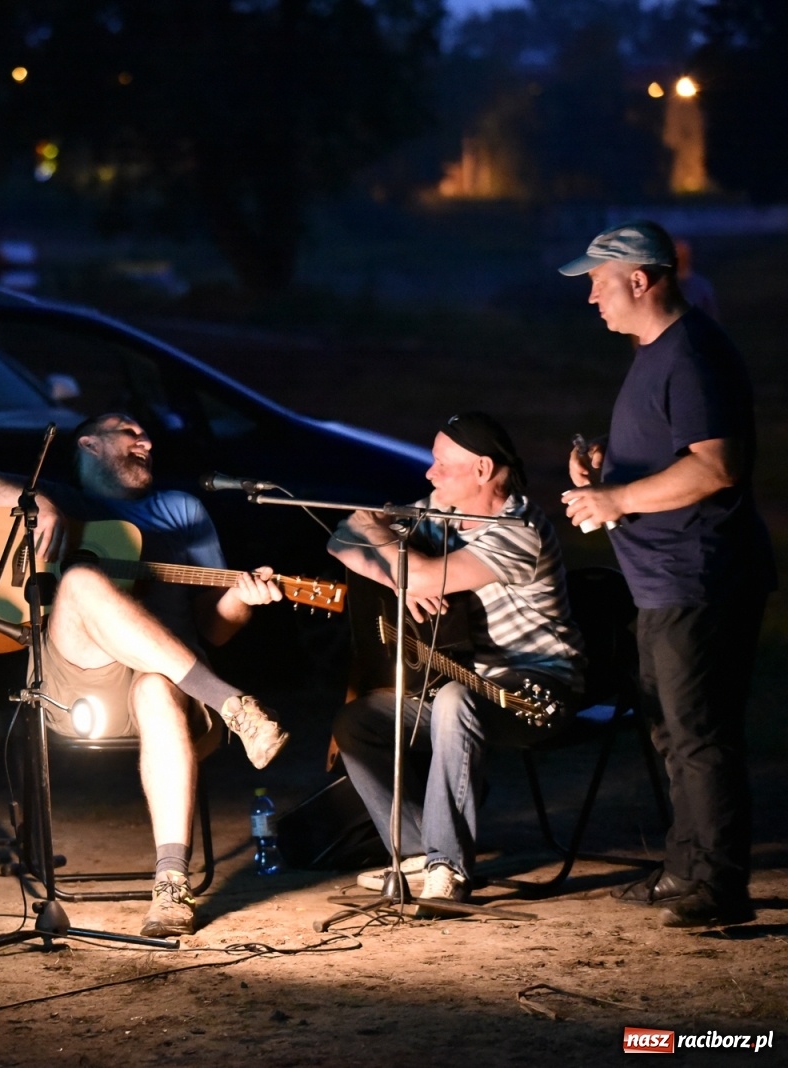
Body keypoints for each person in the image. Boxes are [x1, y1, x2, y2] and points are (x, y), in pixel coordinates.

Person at [0, 412, 290, 937]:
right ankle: (234, 703)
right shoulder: (59, 499)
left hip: (169, 686)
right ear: (90, 444)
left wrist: (241, 599)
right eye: (128, 430)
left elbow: (213, 630)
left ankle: (170, 885)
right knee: (80, 577)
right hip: (82, 679)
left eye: (147, 433)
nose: (145, 439)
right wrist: (36, 503)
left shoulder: (181, 508)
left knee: (159, 687)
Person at [559, 220, 776, 928]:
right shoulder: (655, 355)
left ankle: (719, 885)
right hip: (662, 581)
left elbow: (716, 466)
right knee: (670, 732)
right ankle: (687, 867)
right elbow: (671, 455)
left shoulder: (694, 355)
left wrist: (614, 498)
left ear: (640, 279)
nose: (591, 298)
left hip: (700, 579)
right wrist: (606, 474)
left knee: (700, 734)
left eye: (598, 282)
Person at [327, 412, 585, 911]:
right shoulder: (435, 511)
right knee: (358, 721)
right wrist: (401, 577)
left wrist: (407, 571)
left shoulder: (519, 530)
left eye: (442, 463)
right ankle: (419, 852)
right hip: (465, 692)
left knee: (452, 697)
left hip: (536, 692)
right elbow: (341, 538)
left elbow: (409, 566)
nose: (430, 473)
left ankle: (450, 868)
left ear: (483, 469)